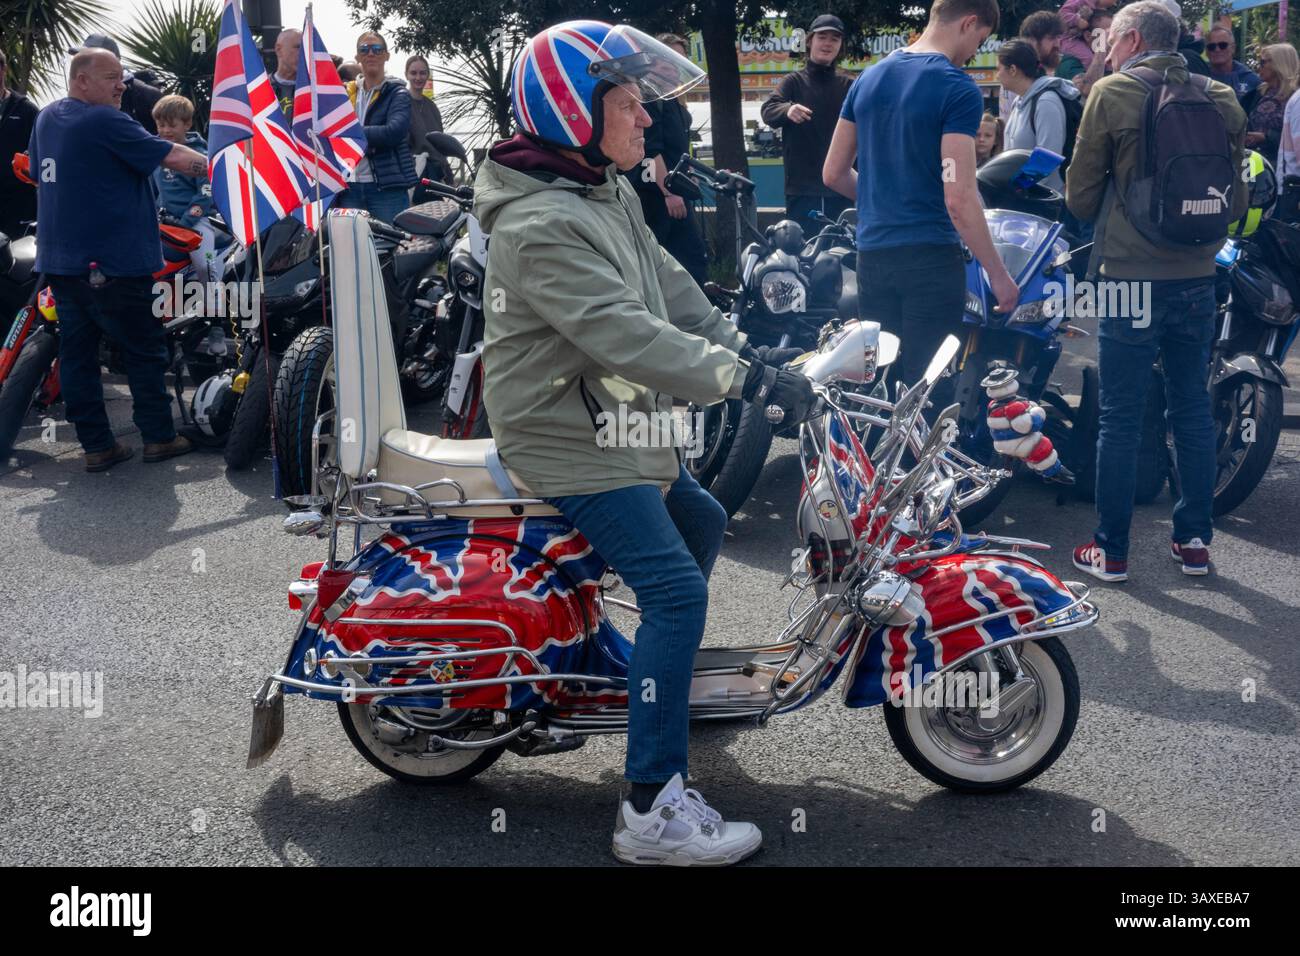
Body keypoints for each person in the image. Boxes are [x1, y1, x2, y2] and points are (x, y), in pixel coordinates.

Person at [476, 19, 813, 866]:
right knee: (673, 591)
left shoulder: (602, 191)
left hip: (611, 419)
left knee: (698, 521)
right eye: (626, 102)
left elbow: (671, 294)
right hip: (565, 433)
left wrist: (751, 349)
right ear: (568, 111)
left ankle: (648, 687)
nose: (644, 117)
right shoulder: (539, 222)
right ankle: (648, 813)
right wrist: (741, 384)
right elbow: (621, 334)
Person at [1065, 0, 1247, 581]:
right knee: (1191, 408)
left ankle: (1111, 551)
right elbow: (1236, 197)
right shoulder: (1220, 96)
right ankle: (1194, 542)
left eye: (1111, 42)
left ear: (1135, 39)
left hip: (1127, 279)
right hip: (1198, 277)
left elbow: (1081, 195)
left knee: (1120, 416)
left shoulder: (1112, 93)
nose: (1107, 52)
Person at [824, 0, 1019, 389]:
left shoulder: (868, 79)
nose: (972, 54)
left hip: (873, 257)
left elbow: (833, 173)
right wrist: (999, 274)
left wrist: (883, 201)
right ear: (969, 23)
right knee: (925, 391)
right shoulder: (957, 87)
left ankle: (873, 452)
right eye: (978, 42)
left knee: (877, 385)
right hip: (930, 259)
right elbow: (959, 198)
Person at [28, 48, 208, 470]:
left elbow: (40, 172)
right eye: (111, 77)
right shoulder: (104, 119)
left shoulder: (47, 118)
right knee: (144, 350)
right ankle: (160, 438)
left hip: (63, 261)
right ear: (81, 80)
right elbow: (174, 156)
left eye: (122, 77)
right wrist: (230, 168)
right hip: (112, 261)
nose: (121, 85)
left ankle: (96, 446)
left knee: (77, 353)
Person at [626, 33, 709, 286]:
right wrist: (668, 193)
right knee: (680, 258)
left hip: (676, 189)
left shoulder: (671, 100)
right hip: (658, 195)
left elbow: (676, 148)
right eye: (668, 61)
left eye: (680, 60)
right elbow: (651, 150)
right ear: (651, 62)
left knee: (686, 259)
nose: (674, 68)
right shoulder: (649, 100)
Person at [761, 14, 855, 225]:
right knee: (802, 254)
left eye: (835, 38)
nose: (828, 43)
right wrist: (788, 109)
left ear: (841, 45)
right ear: (810, 40)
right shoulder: (793, 81)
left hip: (844, 188)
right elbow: (768, 109)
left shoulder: (851, 84)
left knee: (844, 254)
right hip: (802, 190)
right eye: (822, 36)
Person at [336, 31, 416, 224]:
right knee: (350, 249)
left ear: (387, 56)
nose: (370, 53)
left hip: (386, 190)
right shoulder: (344, 93)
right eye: (364, 49)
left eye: (377, 49)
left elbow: (393, 133)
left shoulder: (398, 93)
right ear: (357, 57)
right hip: (349, 187)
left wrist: (351, 133)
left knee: (393, 249)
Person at [150, 95, 219, 294]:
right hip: (163, 224)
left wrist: (187, 221)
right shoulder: (155, 154)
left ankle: (215, 307)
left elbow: (206, 193)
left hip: (196, 223)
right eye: (161, 125)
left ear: (187, 123)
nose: (165, 131)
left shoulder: (199, 156)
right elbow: (152, 191)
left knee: (205, 265)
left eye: (171, 125)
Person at [999, 39, 1082, 191]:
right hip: (1023, 201)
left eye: (999, 69)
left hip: (1046, 204)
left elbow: (1048, 158)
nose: (997, 75)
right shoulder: (1018, 101)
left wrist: (1018, 188)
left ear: (1012, 69)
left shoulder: (1046, 102)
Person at [70, 34, 163, 134]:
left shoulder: (146, 95)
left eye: (88, 60)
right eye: (80, 59)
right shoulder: (68, 106)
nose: (81, 65)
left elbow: (170, 139)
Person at [0, 49, 39, 239]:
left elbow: (44, 152)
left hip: (18, 205)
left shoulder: (26, 110)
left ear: (4, 70)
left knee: (17, 263)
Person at [1002, 11, 1065, 116]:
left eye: (1058, 37)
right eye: (1051, 38)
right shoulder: (1015, 76)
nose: (1057, 44)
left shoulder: (1058, 72)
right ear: (1031, 41)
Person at [1247, 43, 1298, 165]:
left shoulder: (1296, 97)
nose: (1259, 66)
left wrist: (1267, 137)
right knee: (1251, 184)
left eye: (1263, 62)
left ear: (1278, 64)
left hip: (1284, 166)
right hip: (1253, 162)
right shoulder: (1259, 92)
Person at [404, 55, 444, 186]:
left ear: (427, 75)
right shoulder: (400, 102)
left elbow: (441, 145)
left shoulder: (432, 107)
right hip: (409, 175)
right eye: (413, 73)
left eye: (422, 73)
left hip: (433, 175)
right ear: (406, 75)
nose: (418, 77)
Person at [1057, 10, 1114, 95]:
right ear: (1088, 36)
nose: (1111, 39)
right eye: (1106, 34)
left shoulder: (1110, 60)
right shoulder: (1069, 64)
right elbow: (1089, 90)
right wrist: (1102, 48)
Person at [1205, 25, 1260, 110]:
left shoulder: (1251, 80)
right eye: (1212, 47)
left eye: (1222, 45)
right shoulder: (1200, 76)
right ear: (1207, 51)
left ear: (1233, 48)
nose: (1217, 50)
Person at [269, 28, 301, 118]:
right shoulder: (260, 88)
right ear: (279, 49)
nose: (304, 53)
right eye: (298, 47)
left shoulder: (315, 91)